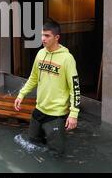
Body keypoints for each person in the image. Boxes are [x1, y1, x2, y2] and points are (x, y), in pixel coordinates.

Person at [14, 20, 80, 154]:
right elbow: (33, 78)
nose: (43, 39)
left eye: (47, 36)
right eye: (42, 35)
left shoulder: (67, 59)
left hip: (56, 115)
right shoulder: (40, 54)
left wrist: (73, 114)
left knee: (56, 153)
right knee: (32, 144)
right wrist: (21, 94)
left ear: (57, 37)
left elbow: (75, 88)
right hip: (39, 110)